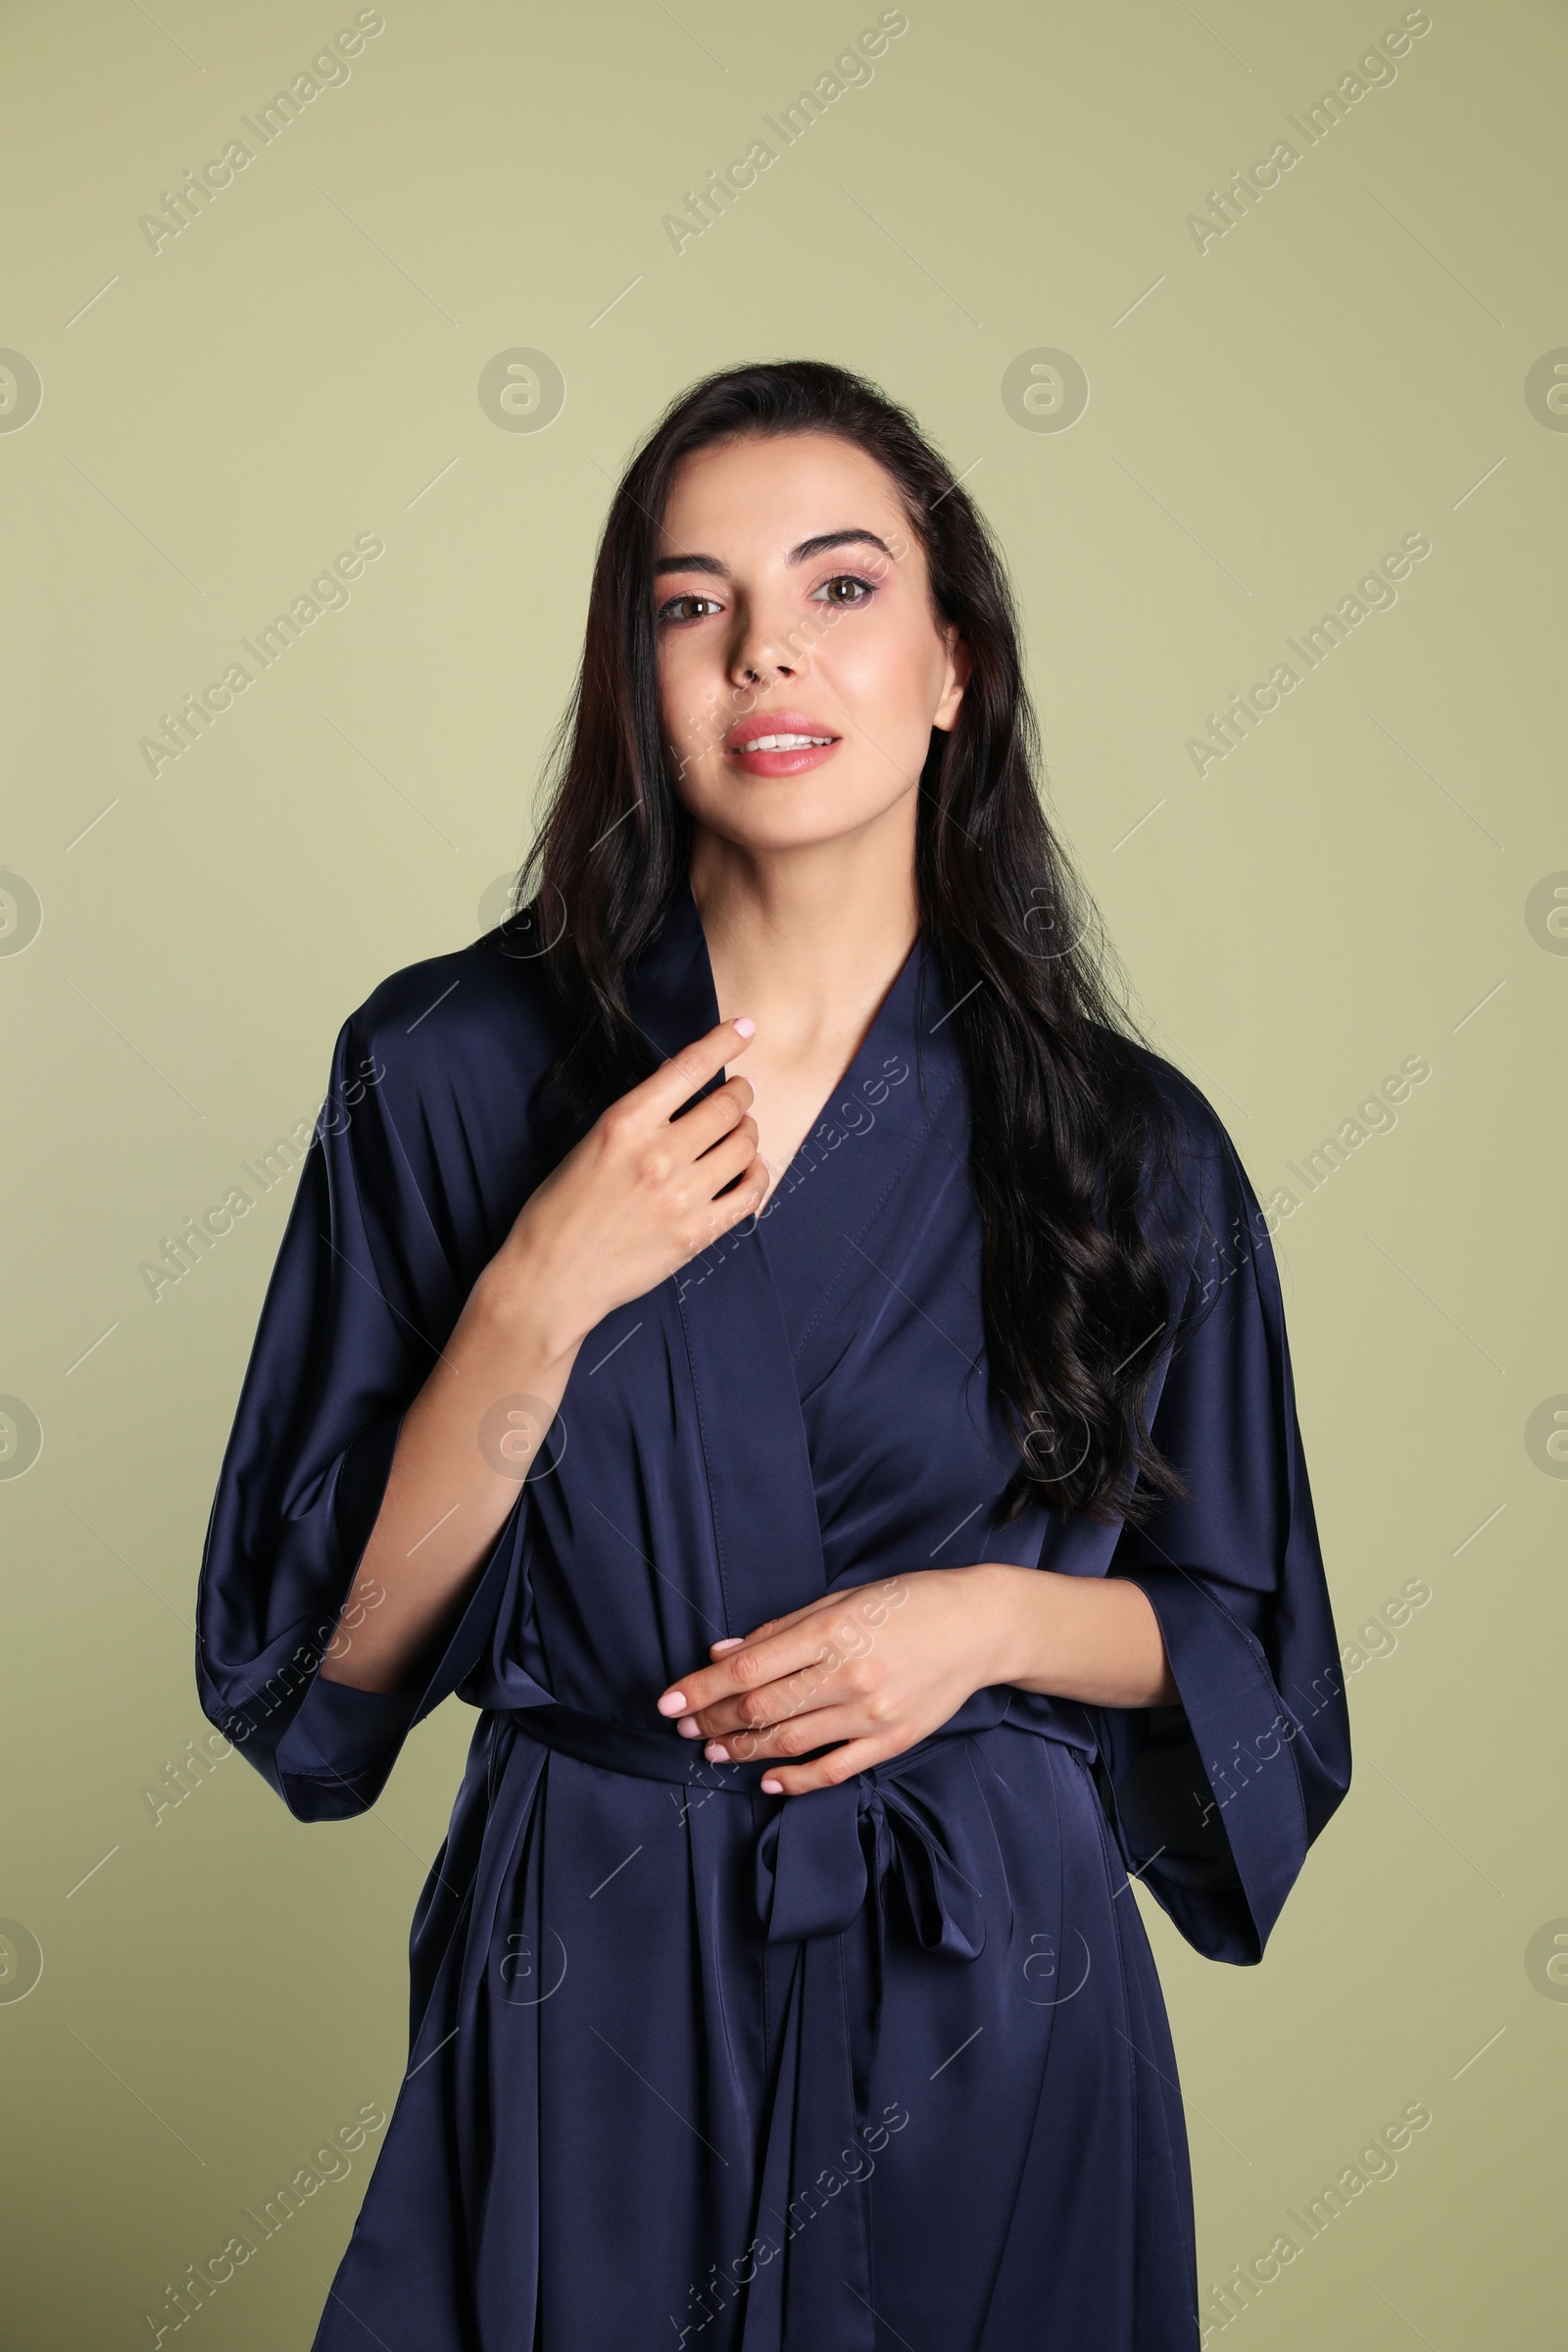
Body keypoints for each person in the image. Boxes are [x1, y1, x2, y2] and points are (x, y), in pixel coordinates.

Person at [196, 359, 1350, 2351]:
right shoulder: (451, 1074)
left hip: (986, 1987)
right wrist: (535, 1291)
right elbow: (322, 1677)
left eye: (836, 588)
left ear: (948, 664)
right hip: (591, 1984)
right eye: (687, 601)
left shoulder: (1126, 1142)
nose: (758, 655)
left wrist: (982, 1626)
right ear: (632, 674)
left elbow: (1252, 1656)